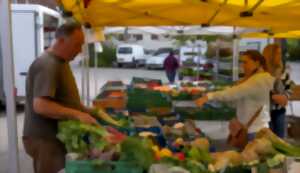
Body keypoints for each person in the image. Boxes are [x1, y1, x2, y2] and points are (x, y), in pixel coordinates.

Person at [23, 23, 98, 173]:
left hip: (55, 138)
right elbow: (41, 105)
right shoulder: (48, 64)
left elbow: (64, 100)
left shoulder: (61, 62)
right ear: (61, 41)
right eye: (76, 45)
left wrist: (88, 111)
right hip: (45, 139)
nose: (79, 50)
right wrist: (78, 114)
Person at [195, 50, 275, 140]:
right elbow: (235, 98)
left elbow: (233, 94)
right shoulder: (254, 79)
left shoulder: (258, 80)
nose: (243, 66)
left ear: (257, 63)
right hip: (252, 128)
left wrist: (209, 96)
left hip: (254, 131)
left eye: (246, 62)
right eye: (242, 62)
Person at [263, 44, 294, 138]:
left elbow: (290, 86)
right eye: (278, 53)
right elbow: (260, 89)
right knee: (267, 140)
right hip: (264, 112)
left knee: (280, 139)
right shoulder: (262, 71)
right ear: (270, 55)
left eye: (280, 53)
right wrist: (272, 96)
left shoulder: (284, 70)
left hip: (280, 110)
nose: (280, 56)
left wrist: (285, 96)